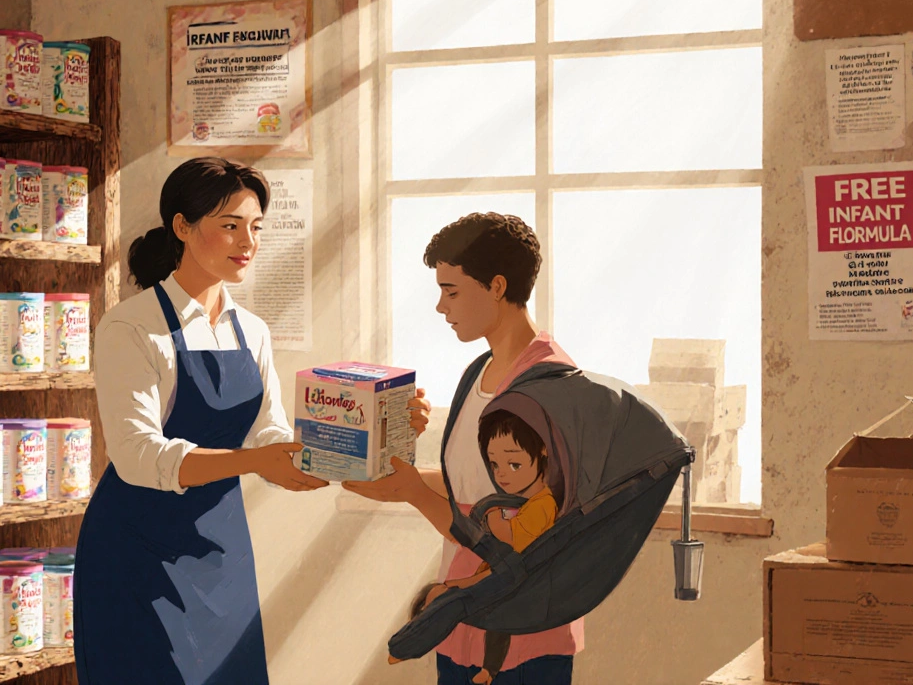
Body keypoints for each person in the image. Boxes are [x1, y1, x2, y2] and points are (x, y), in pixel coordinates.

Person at [75, 158, 325, 684]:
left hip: (221, 550)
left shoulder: (251, 330)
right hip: (137, 551)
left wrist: (358, 434)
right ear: (183, 227)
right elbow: (138, 456)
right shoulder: (131, 327)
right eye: (230, 225)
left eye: (255, 227)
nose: (247, 242)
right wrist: (257, 460)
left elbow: (268, 433)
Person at [345, 212, 583, 685]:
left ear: (496, 286)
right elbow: (468, 489)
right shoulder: (479, 372)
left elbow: (513, 529)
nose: (440, 306)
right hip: (463, 616)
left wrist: (412, 492)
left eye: (451, 291)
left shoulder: (547, 385)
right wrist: (388, 471)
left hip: (520, 628)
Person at [396, 406, 559, 685]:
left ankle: (420, 640)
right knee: (447, 595)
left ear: (542, 452)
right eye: (494, 465)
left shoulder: (543, 505)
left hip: (508, 581)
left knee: (460, 601)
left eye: (514, 465)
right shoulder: (522, 500)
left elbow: (508, 538)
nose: (502, 475)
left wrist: (492, 514)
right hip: (497, 577)